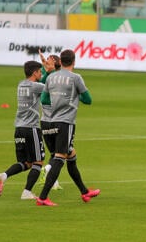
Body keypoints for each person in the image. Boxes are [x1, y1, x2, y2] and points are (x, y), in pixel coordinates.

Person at [36, 49, 99, 206]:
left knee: (71, 156)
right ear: (74, 61)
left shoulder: (51, 77)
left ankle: (84, 192)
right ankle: (43, 197)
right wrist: (72, 99)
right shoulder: (75, 78)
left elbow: (44, 99)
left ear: (61, 61)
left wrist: (57, 101)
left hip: (48, 123)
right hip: (65, 122)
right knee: (59, 159)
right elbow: (88, 99)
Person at [0, 60, 54, 200]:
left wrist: (45, 71)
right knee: (38, 162)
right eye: (39, 71)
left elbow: (40, 84)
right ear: (34, 73)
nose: (41, 73)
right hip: (31, 128)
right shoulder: (36, 87)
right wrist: (50, 71)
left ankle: (3, 176)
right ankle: (27, 192)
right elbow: (49, 87)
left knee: (26, 163)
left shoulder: (21, 84)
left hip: (19, 128)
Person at [38, 51, 62, 191]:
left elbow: (42, 77)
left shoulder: (47, 76)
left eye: (49, 60)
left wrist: (45, 66)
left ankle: (54, 182)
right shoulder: (55, 78)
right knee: (60, 154)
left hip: (44, 122)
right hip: (57, 121)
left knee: (54, 153)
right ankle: (47, 169)